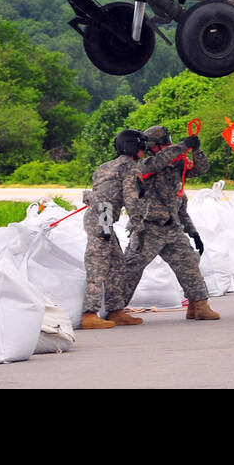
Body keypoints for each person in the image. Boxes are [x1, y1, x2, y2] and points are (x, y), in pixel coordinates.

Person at [120, 125, 220, 321]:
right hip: (147, 229)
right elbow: (160, 161)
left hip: (172, 228)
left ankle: (199, 306)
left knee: (189, 264)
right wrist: (184, 145)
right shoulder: (146, 165)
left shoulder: (177, 165)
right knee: (131, 268)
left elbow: (201, 169)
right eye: (165, 142)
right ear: (153, 146)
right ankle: (115, 309)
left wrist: (196, 149)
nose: (169, 144)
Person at [80, 128, 149, 330]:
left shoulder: (104, 166)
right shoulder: (129, 168)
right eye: (141, 148)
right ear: (134, 148)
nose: (143, 152)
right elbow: (131, 200)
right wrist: (139, 225)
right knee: (98, 266)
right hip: (101, 220)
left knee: (117, 265)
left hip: (101, 217)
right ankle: (89, 314)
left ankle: (116, 311)